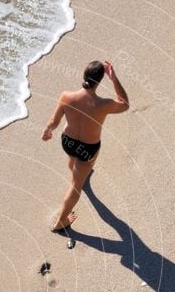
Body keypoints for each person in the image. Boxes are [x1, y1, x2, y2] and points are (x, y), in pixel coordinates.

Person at [41, 60, 129, 231]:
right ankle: (61, 221)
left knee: (74, 160)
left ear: (84, 75)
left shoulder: (66, 96)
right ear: (100, 80)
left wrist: (48, 130)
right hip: (88, 149)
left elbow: (54, 121)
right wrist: (114, 78)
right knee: (75, 186)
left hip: (68, 141)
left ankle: (79, 172)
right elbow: (125, 104)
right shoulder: (104, 104)